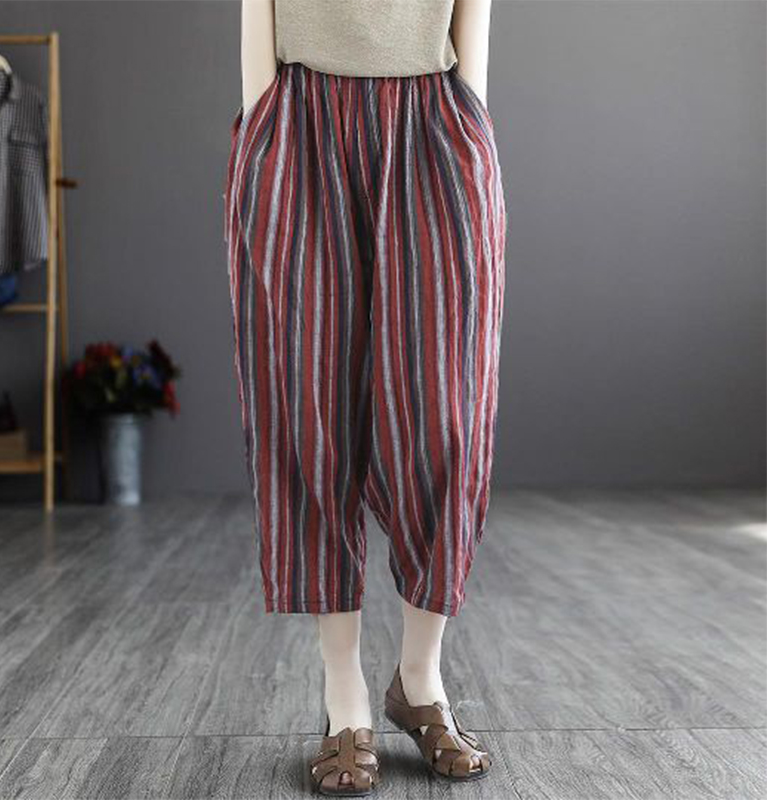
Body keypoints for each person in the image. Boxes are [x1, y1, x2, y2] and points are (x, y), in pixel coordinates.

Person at [223, 0, 506, 794]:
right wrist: (263, 123)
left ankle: (420, 679)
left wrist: (467, 115)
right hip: (300, 120)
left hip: (433, 121)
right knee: (308, 405)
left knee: (446, 415)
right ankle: (342, 690)